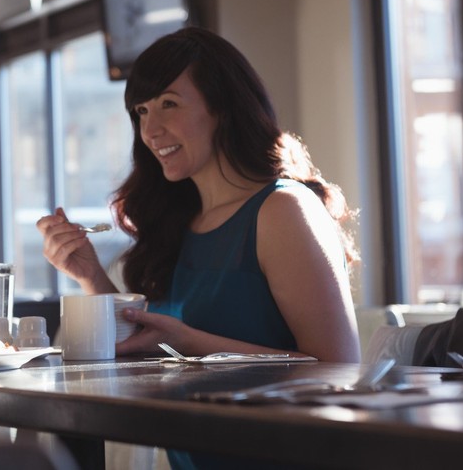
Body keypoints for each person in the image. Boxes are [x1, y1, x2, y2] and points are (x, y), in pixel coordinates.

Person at [38, 26, 360, 468]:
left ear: (223, 107)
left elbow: (340, 369)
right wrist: (90, 275)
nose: (151, 130)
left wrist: (193, 346)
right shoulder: (177, 223)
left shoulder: (282, 210)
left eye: (169, 104)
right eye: (141, 111)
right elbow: (149, 344)